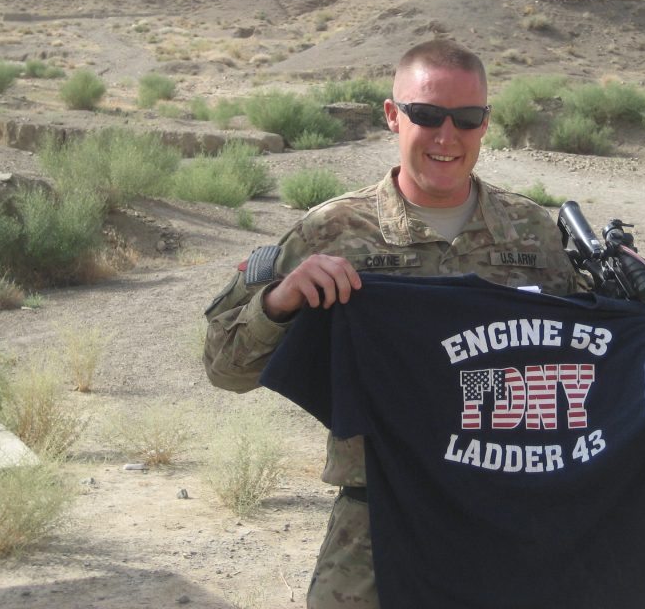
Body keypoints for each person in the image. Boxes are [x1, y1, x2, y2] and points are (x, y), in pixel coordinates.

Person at [202, 39, 585, 608]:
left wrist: (639, 318)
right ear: (392, 115)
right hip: (375, 528)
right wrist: (281, 301)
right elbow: (224, 368)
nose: (446, 136)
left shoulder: (534, 234)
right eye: (426, 115)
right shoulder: (332, 232)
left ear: (486, 123)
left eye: (466, 118)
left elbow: (596, 363)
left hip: (509, 519)